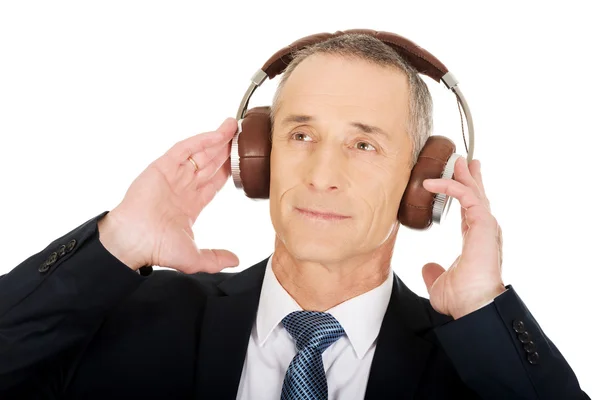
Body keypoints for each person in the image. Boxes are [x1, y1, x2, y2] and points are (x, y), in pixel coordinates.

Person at [0, 31, 589, 400]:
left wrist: (486, 309)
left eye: (364, 145)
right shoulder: (125, 318)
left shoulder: (480, 366)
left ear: (421, 182)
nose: (321, 174)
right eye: (301, 134)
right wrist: (118, 241)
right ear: (259, 158)